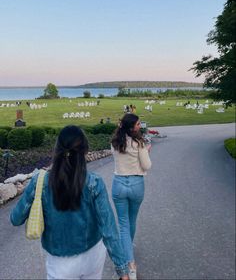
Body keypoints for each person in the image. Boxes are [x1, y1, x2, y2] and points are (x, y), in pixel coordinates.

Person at [10, 125, 129, 280]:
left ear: (57, 150)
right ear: (85, 151)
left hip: (60, 263)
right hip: (93, 256)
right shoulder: (94, 182)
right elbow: (109, 228)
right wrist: (122, 269)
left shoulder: (40, 181)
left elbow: (15, 219)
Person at [111, 114, 152, 280]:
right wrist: (146, 152)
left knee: (123, 224)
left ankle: (127, 253)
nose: (140, 125)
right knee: (131, 220)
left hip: (119, 183)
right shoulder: (139, 143)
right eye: (137, 124)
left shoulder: (115, 142)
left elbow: (119, 156)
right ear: (131, 127)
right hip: (136, 184)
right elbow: (147, 165)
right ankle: (130, 263)